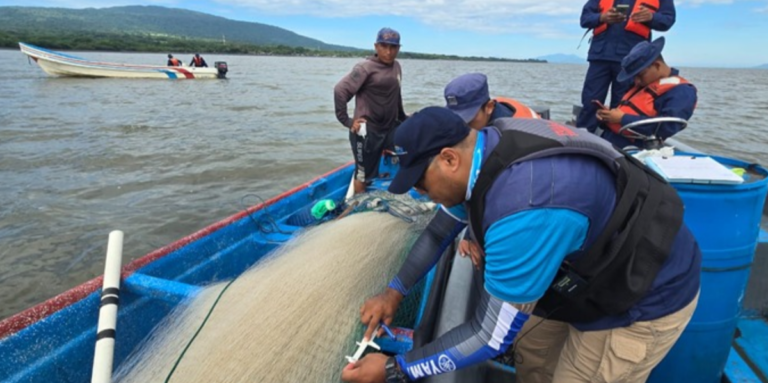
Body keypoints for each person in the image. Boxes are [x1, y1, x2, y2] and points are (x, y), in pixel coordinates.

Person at [342, 107, 701, 383]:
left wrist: (395, 370)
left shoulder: (523, 210)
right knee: (532, 350)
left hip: (638, 297)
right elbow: (439, 232)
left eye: (419, 183)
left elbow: (490, 336)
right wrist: (395, 291)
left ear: (449, 158)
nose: (423, 194)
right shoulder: (485, 148)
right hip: (580, 269)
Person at [576, 0, 676, 133]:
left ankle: (615, 139)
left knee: (623, 102)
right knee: (591, 100)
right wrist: (601, 17)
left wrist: (652, 17)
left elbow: (667, 20)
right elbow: (585, 19)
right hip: (600, 57)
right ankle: (582, 137)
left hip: (632, 62)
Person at [334, 27, 407, 195]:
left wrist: (403, 117)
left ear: (398, 48)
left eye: (393, 47)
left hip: (388, 128)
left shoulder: (396, 66)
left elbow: (397, 95)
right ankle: (358, 206)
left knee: (412, 145)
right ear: (376, 46)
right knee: (362, 174)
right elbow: (340, 91)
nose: (389, 52)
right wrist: (348, 121)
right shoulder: (365, 68)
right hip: (366, 132)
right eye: (384, 46)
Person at [597, 37, 697, 149]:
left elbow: (667, 127)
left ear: (657, 65)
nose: (636, 81)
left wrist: (622, 118)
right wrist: (608, 116)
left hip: (630, 150)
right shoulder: (644, 83)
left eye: (640, 75)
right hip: (608, 141)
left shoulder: (682, 92)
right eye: (634, 77)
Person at [444, 73, 540, 130]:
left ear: (489, 107)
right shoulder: (484, 112)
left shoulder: (516, 133)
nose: (463, 125)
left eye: (468, 118)